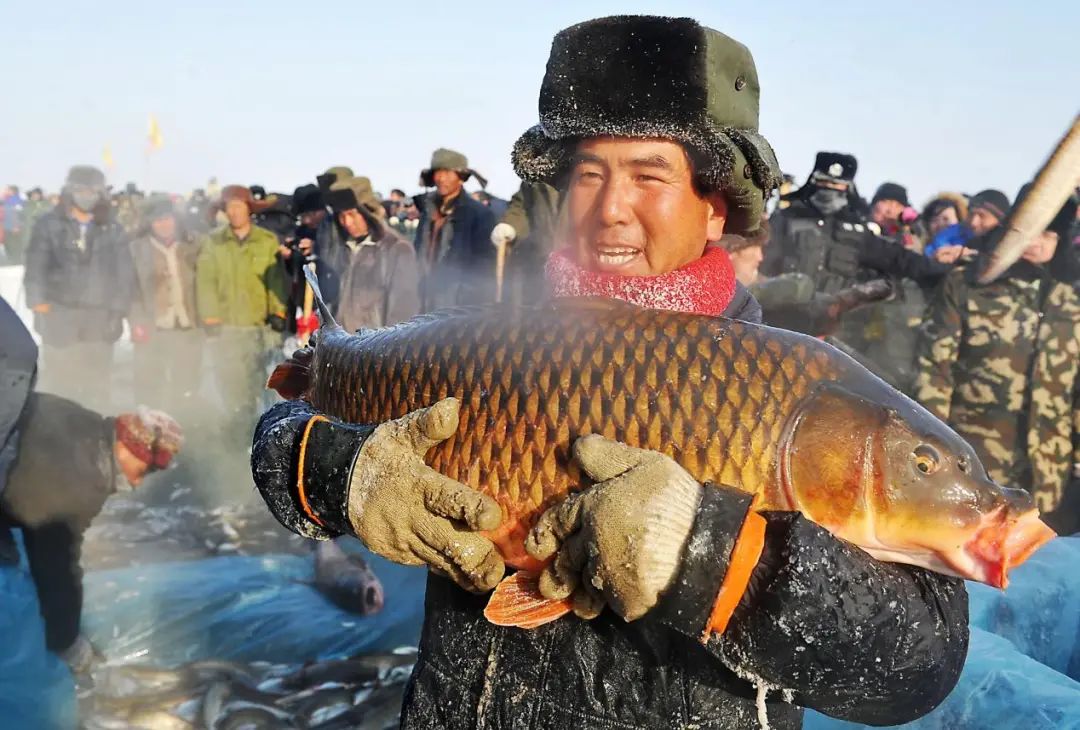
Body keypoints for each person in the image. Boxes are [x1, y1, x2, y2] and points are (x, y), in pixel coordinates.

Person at [251, 16, 966, 729]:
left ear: (715, 208)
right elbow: (281, 436)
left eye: (649, 175)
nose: (609, 210)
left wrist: (708, 555)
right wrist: (342, 473)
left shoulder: (791, 384)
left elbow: (920, 665)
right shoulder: (484, 341)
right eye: (588, 174)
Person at [914, 191, 1080, 534]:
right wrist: (933, 454)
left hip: (1049, 474)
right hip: (975, 465)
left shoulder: (1071, 299)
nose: (1035, 242)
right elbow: (934, 373)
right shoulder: (968, 284)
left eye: (1048, 233)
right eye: (1030, 229)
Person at [1, 395, 182, 672]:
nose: (137, 482)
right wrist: (66, 641)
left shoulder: (88, 426)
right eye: (143, 469)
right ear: (127, 446)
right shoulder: (82, 476)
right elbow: (55, 563)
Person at [23, 165, 134, 411]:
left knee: (97, 386)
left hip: (99, 318)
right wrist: (39, 306)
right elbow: (35, 268)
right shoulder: (49, 224)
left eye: (93, 190)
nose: (87, 196)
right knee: (61, 387)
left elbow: (124, 274)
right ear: (70, 191)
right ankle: (61, 441)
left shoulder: (112, 228)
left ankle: (95, 440)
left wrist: (117, 313)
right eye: (81, 190)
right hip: (60, 315)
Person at [195, 185, 287, 450]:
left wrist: (278, 312)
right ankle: (236, 436)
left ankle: (262, 436)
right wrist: (210, 316)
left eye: (239, 207)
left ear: (249, 209)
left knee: (262, 383)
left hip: (260, 326)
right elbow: (206, 281)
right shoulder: (213, 242)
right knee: (231, 383)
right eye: (230, 208)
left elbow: (276, 278)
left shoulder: (267, 240)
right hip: (228, 328)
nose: (235, 213)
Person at [128, 196, 203, 417]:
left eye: (167, 219)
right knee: (150, 380)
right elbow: (130, 289)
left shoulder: (193, 244)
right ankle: (151, 422)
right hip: (154, 326)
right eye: (157, 220)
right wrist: (136, 322)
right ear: (149, 223)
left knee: (187, 378)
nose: (164, 224)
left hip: (187, 324)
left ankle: (185, 419)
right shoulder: (137, 249)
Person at [323, 175, 420, 330]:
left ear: (367, 212)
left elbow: (403, 315)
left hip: (374, 349)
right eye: (341, 216)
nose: (347, 222)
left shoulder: (397, 249)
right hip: (343, 347)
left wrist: (387, 350)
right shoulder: (346, 248)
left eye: (352, 214)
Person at [414, 148, 497, 310]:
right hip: (426, 301)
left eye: (447, 172)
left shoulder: (479, 214)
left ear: (461, 177)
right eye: (437, 172)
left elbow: (484, 265)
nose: (440, 178)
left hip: (459, 305)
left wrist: (470, 301)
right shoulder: (427, 212)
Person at [492, 181, 562, 304]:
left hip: (584, 263)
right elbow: (522, 203)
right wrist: (511, 223)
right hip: (540, 262)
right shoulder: (536, 173)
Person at [931, 189, 1010, 264]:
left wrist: (970, 256)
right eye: (971, 214)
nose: (973, 222)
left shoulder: (1010, 248)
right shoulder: (954, 235)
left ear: (999, 222)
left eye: (982, 216)